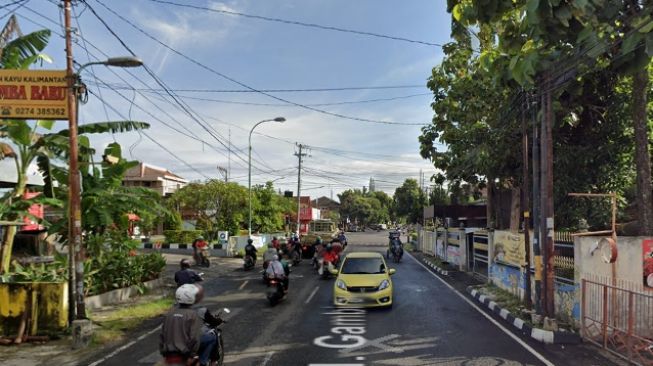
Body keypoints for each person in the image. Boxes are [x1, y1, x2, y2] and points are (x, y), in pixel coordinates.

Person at [160, 284, 219, 366]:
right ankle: (203, 362)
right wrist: (191, 354)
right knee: (212, 337)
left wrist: (163, 351)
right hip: (185, 350)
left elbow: (163, 334)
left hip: (168, 351)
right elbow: (194, 337)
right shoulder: (192, 314)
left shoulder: (170, 313)